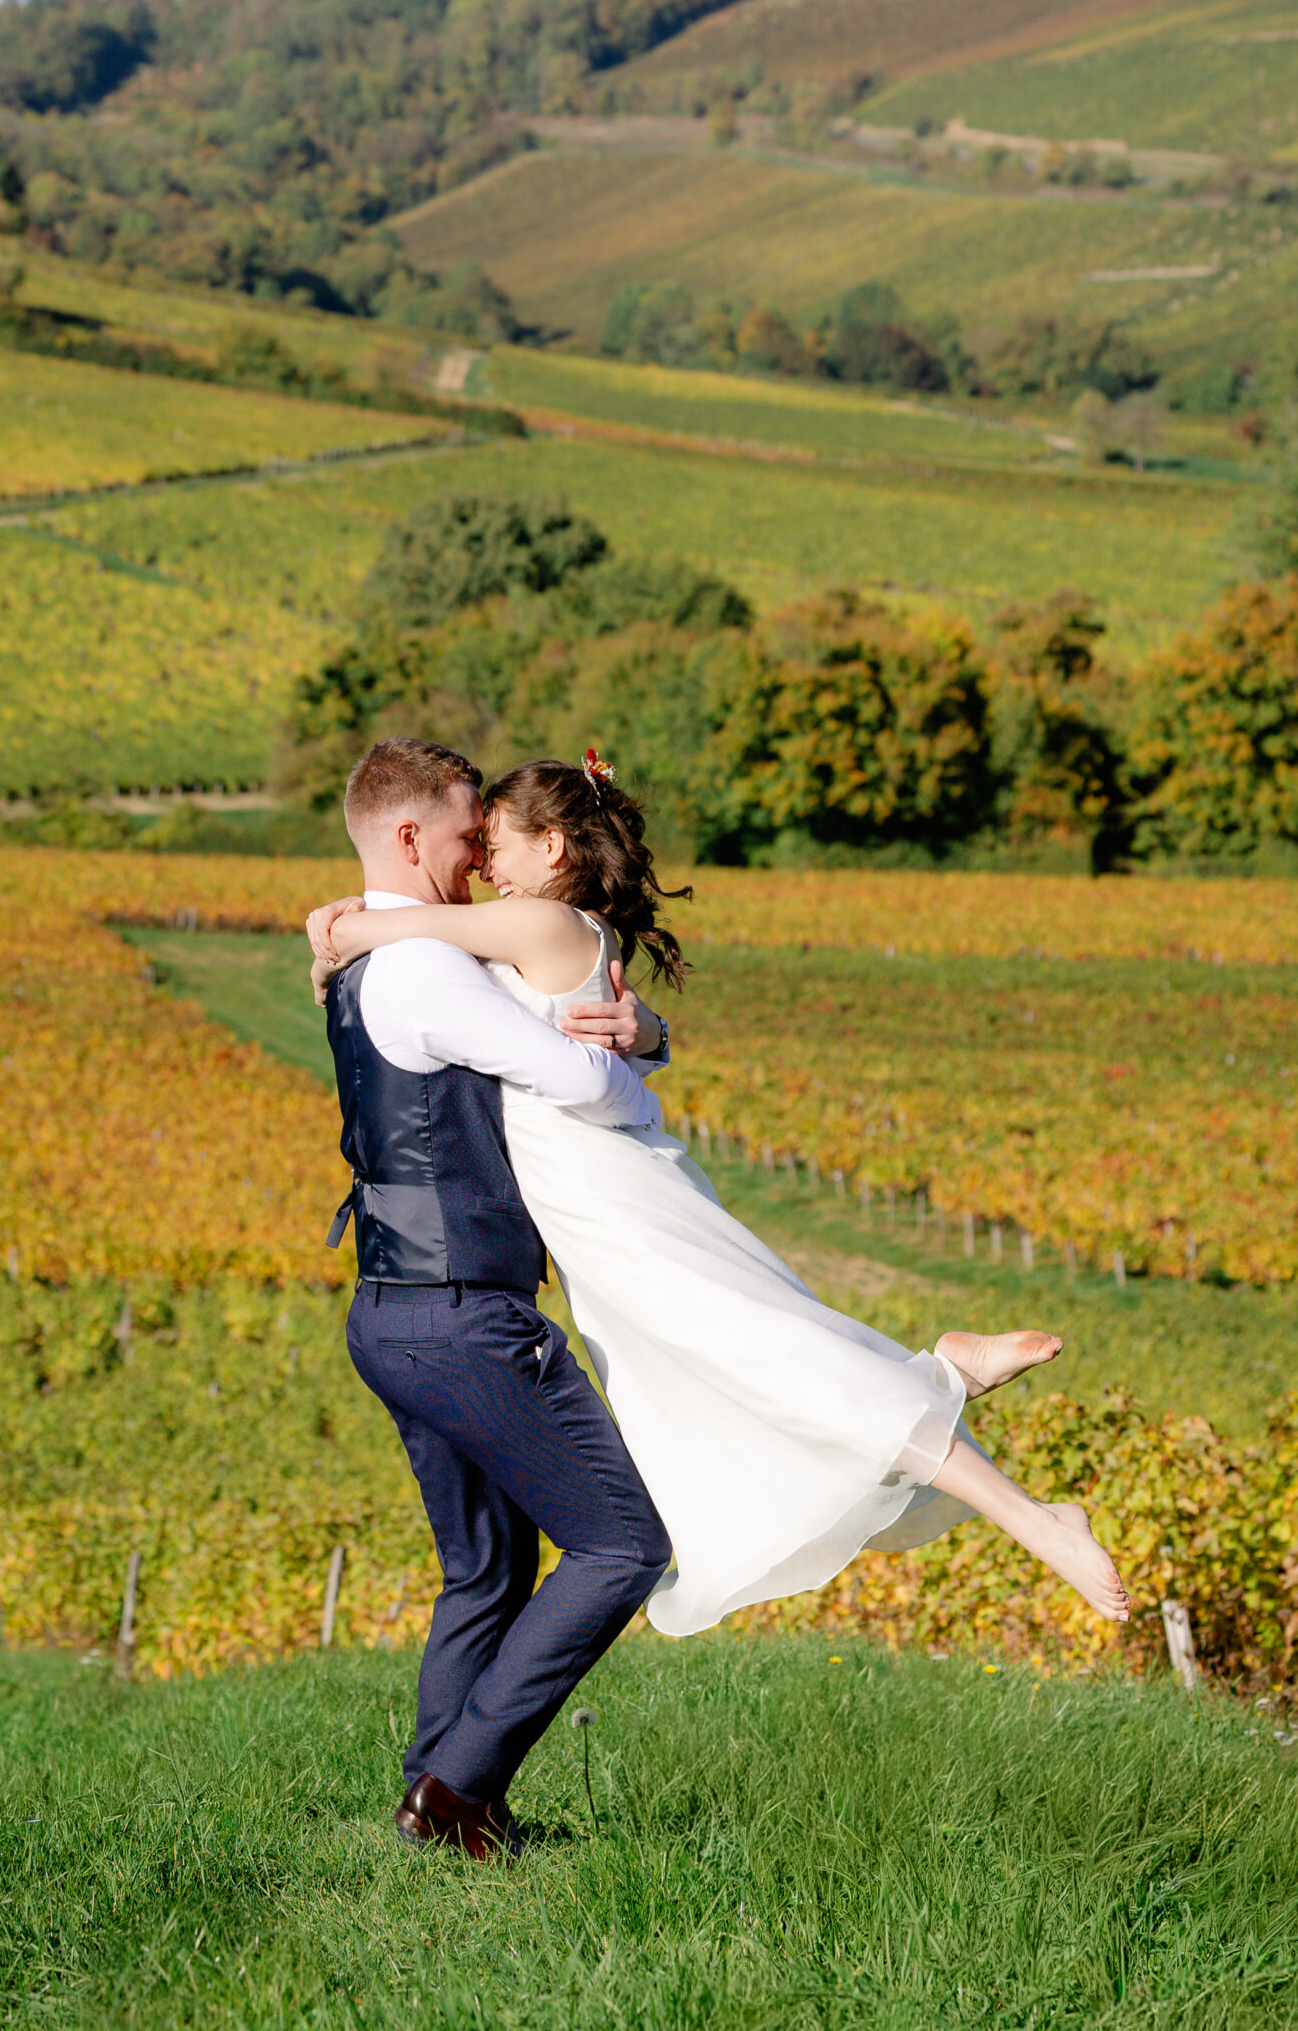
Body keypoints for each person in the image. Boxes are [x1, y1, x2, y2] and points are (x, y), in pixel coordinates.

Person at [307, 751, 1129, 1659]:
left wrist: (345, 928)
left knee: (770, 1362)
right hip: (592, 1212)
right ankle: (943, 1377)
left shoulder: (535, 920)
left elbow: (418, 936)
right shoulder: (545, 925)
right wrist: (648, 1035)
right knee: (721, 1379)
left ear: (551, 846)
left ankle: (1036, 1518)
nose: (483, 867)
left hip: (612, 1201)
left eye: (497, 845)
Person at [319, 737, 677, 1864]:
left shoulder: (375, 957)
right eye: (472, 833)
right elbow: (578, 1076)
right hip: (462, 1315)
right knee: (622, 1544)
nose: (484, 856)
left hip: (391, 1308)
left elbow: (556, 990)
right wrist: (636, 1068)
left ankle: (440, 1812)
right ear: (411, 836)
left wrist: (646, 1028)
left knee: (486, 1568)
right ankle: (459, 1789)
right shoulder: (423, 966)